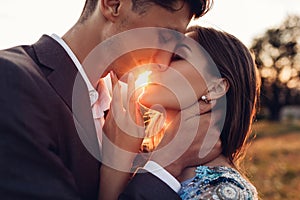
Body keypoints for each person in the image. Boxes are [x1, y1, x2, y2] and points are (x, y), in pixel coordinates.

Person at [0, 1, 220, 200]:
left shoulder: (124, 117)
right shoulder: (12, 81)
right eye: (165, 37)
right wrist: (167, 166)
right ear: (113, 5)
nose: (164, 62)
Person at [122, 26, 260, 199]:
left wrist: (166, 165)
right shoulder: (138, 160)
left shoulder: (225, 191)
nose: (158, 62)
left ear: (215, 88)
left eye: (177, 57)